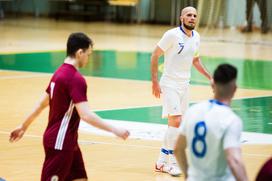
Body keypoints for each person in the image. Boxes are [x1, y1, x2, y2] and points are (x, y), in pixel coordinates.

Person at [9, 32, 130, 181]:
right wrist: (114, 129)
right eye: (88, 54)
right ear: (80, 52)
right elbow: (85, 115)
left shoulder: (59, 73)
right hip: (60, 143)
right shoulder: (75, 79)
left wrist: (24, 126)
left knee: (80, 178)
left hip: (68, 142)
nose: (88, 59)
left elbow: (42, 103)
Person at [151, 6, 212, 177]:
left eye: (194, 15)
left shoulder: (197, 37)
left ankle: (161, 162)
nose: (192, 18)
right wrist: (155, 82)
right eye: (189, 15)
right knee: (176, 121)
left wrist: (210, 77)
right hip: (169, 84)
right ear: (181, 18)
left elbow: (196, 60)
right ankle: (172, 162)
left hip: (185, 85)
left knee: (175, 124)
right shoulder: (172, 35)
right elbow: (155, 55)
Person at [174, 64, 248, 181]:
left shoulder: (192, 111)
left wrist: (188, 175)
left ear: (212, 85)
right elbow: (234, 160)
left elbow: (178, 148)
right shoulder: (231, 120)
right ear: (234, 88)